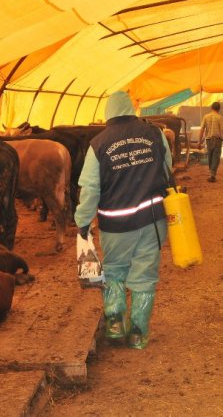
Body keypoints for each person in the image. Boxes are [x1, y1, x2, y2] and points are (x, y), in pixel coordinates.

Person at [74, 90, 172, 350]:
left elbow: (91, 188)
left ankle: (116, 325)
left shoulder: (98, 144)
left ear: (108, 112)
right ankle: (139, 333)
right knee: (145, 275)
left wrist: (83, 223)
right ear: (132, 109)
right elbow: (167, 171)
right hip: (152, 220)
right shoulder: (156, 134)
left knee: (115, 272)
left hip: (116, 226)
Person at [197, 101, 223, 182]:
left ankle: (211, 174)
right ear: (219, 109)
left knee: (210, 157)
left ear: (211, 108)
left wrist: (199, 141)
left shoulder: (206, 117)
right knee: (216, 158)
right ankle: (212, 175)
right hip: (217, 140)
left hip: (208, 140)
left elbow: (202, 130)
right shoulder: (220, 118)